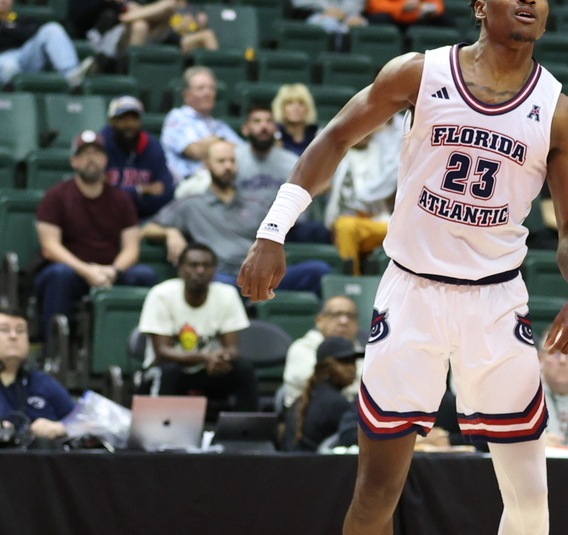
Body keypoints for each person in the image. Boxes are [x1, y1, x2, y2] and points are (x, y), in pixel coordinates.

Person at [237, 0, 568, 535]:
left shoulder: (560, 111)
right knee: (376, 490)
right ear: (480, 5)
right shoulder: (419, 73)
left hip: (498, 304)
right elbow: (336, 138)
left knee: (530, 498)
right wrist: (274, 230)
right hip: (410, 295)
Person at [32, 130, 153, 335]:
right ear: (74, 161)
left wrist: (113, 271)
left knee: (145, 275)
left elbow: (132, 248)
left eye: (96, 154)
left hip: (109, 272)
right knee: (60, 275)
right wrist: (87, 271)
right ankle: (53, 352)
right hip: (72, 272)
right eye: (84, 154)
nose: (91, 159)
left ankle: (136, 347)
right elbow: (50, 247)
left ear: (106, 160)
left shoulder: (122, 199)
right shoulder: (56, 196)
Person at [137, 241, 256, 417]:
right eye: (194, 265)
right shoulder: (161, 295)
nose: (200, 271)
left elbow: (232, 347)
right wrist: (205, 357)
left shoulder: (227, 294)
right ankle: (157, 437)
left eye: (206, 266)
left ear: (214, 270)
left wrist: (224, 357)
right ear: (181, 269)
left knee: (243, 370)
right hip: (170, 370)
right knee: (169, 371)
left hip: (209, 371)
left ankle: (247, 432)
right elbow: (162, 352)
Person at [326, 118, 403, 270]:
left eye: (368, 129)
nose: (364, 134)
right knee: (346, 226)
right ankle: (352, 283)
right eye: (359, 130)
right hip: (348, 220)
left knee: (409, 230)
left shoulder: (382, 152)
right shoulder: (335, 155)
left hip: (379, 221)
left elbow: (390, 182)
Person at [0, 0, 84, 89]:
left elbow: (32, 33)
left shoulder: (23, 19)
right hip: (3, 59)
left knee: (52, 29)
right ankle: (13, 100)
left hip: (25, 56)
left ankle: (73, 75)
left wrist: (7, 30)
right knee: (10, 66)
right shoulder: (20, 25)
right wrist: (12, 30)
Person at [160, 67, 244, 182]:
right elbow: (194, 151)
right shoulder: (177, 117)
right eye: (201, 88)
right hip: (188, 185)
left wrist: (212, 142)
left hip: (220, 184)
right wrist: (222, 142)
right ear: (186, 94)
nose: (207, 93)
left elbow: (244, 152)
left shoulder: (220, 125)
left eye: (211, 88)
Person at [0, 308, 73, 440]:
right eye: (4, 330)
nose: (13, 336)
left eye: (20, 331)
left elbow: (80, 421)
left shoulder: (43, 382)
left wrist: (60, 427)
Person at [102, 94, 176, 222]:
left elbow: (166, 190)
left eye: (134, 118)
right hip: (107, 216)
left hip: (146, 216)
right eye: (123, 119)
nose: (129, 124)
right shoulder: (101, 145)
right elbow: (99, 193)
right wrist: (141, 190)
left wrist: (127, 196)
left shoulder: (152, 146)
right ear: (112, 121)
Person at [283, 295, 364, 399]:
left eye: (350, 316)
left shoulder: (363, 352)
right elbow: (320, 384)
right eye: (336, 314)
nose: (344, 321)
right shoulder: (301, 349)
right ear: (320, 320)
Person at [291, 336, 360, 451]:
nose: (352, 368)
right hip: (312, 467)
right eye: (344, 362)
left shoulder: (304, 398)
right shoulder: (336, 403)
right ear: (325, 367)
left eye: (353, 362)